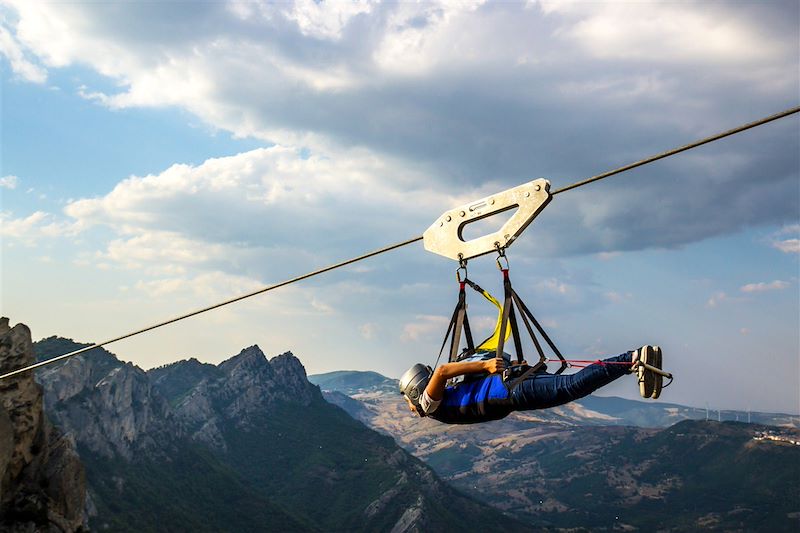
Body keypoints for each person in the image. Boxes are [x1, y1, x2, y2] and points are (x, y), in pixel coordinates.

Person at [398, 345, 664, 424]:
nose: (410, 407)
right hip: (511, 387)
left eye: (407, 399)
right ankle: (634, 362)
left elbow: (443, 370)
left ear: (416, 389)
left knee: (570, 387)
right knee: (571, 387)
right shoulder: (450, 395)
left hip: (512, 390)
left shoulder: (428, 404)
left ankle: (631, 359)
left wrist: (486, 366)